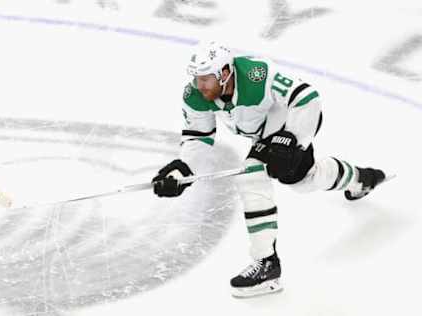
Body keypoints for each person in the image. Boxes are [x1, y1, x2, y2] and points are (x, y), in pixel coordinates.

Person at [151, 41, 387, 297]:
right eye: (197, 78)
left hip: (294, 121)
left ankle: (267, 264)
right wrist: (182, 171)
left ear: (226, 73)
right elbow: (197, 137)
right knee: (305, 181)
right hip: (264, 134)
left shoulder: (257, 75)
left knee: (252, 174)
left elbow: (307, 98)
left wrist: (293, 142)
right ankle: (361, 179)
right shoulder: (195, 95)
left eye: (207, 79)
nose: (200, 85)